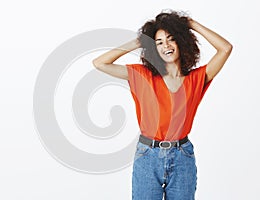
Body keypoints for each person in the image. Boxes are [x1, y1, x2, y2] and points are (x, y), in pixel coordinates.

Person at [92, 10, 232, 200]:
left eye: (171, 39)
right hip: (147, 156)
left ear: (181, 42)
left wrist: (191, 24)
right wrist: (139, 42)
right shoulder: (143, 76)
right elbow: (100, 63)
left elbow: (225, 48)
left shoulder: (196, 79)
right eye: (158, 42)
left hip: (182, 157)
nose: (166, 45)